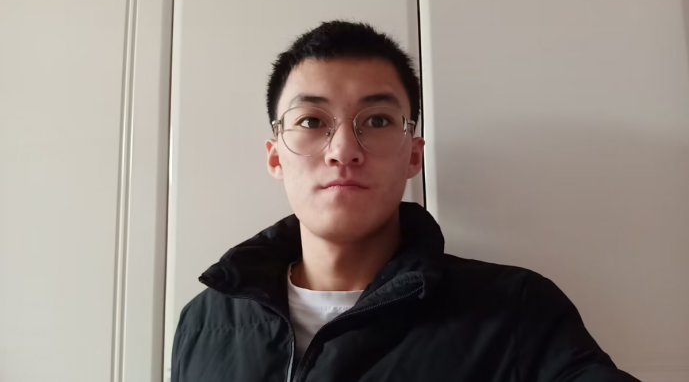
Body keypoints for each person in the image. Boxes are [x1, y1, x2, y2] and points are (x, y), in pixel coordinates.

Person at [171, 21, 640, 382]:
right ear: (275, 156)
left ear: (413, 155)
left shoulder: (516, 312)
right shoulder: (203, 320)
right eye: (312, 121)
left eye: (376, 121)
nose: (343, 150)